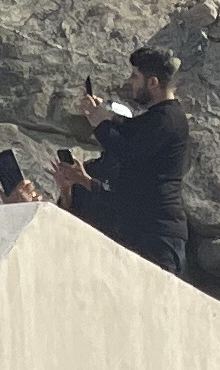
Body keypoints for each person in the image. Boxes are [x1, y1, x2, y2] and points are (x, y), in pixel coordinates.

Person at [55, 48, 191, 274]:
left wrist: (101, 125)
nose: (130, 82)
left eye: (136, 77)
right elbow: (131, 132)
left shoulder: (168, 119)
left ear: (153, 83)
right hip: (142, 229)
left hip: (158, 234)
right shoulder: (158, 117)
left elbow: (128, 152)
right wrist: (103, 117)